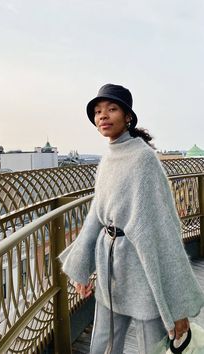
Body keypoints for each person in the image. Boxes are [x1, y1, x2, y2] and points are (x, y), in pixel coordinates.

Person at [59, 84, 204, 354]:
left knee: (153, 344)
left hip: (141, 268)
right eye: (98, 111)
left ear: (128, 117)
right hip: (110, 267)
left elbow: (164, 230)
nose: (102, 116)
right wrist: (81, 268)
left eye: (111, 109)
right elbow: (96, 216)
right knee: (103, 343)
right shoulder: (108, 159)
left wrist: (177, 305)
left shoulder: (144, 159)